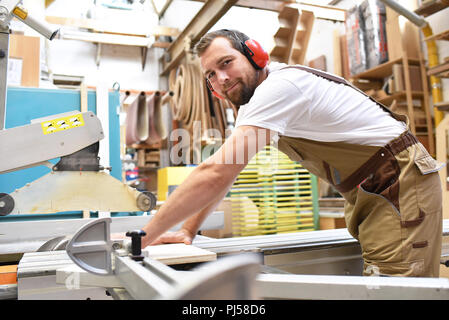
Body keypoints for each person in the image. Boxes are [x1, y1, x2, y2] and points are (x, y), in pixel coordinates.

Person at [137, 29, 443, 277]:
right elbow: (228, 170)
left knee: (394, 287)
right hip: (373, 187)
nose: (222, 78)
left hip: (398, 181)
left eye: (226, 63)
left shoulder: (279, 87)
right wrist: (187, 230)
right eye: (211, 75)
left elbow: (215, 172)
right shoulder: (255, 104)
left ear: (254, 54)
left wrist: (143, 238)